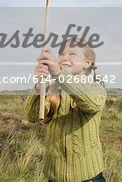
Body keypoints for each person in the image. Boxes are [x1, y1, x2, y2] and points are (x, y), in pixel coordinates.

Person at [24, 37, 107, 182]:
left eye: (72, 54)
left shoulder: (96, 87)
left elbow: (92, 104)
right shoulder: (53, 90)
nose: (64, 58)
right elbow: (32, 116)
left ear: (87, 63)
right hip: (55, 176)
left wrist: (59, 74)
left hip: (89, 177)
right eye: (61, 54)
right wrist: (39, 87)